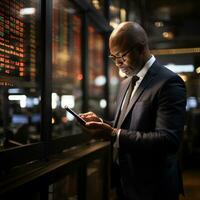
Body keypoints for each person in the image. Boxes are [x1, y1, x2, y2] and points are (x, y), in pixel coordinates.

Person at [79, 21, 186, 200]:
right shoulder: (125, 83)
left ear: (141, 49)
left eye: (121, 56)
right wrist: (102, 124)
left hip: (154, 188)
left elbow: (168, 140)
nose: (118, 63)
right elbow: (128, 126)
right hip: (126, 182)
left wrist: (113, 133)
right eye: (113, 57)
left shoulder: (169, 82)